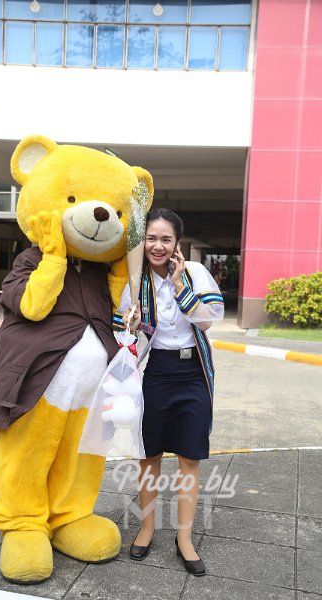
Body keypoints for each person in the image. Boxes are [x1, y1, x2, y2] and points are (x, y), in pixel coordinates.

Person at [113, 208, 224, 577]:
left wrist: (179, 285)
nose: (157, 246)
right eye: (151, 238)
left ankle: (185, 539)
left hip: (194, 374)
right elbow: (122, 330)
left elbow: (208, 320)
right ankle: (146, 529)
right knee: (150, 456)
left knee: (190, 458)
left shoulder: (195, 273)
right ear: (142, 242)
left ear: (178, 243)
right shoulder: (134, 280)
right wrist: (128, 327)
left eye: (166, 239)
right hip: (157, 372)